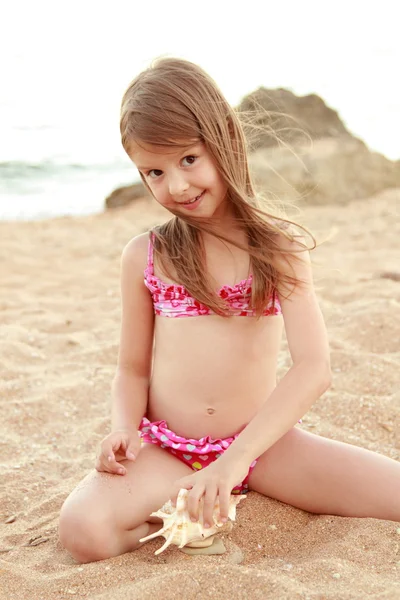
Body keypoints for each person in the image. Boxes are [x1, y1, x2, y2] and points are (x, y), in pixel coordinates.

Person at [59, 57, 400, 564]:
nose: (175, 186)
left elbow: (314, 368)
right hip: (170, 451)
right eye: (154, 171)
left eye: (189, 160)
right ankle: (182, 523)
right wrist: (123, 428)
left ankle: (224, 490)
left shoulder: (278, 249)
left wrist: (233, 463)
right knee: (81, 531)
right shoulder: (145, 256)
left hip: (262, 450)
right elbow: (130, 369)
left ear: (223, 141)